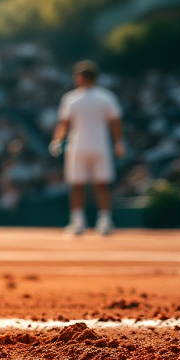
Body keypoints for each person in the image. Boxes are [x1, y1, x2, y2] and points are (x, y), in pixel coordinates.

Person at [50, 60, 125, 236]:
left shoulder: (72, 98)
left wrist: (57, 140)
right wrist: (118, 143)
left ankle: (82, 221)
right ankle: (101, 221)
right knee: (99, 184)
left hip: (80, 146)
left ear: (80, 77)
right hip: (99, 145)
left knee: (80, 185)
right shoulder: (105, 97)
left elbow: (64, 124)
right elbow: (115, 123)